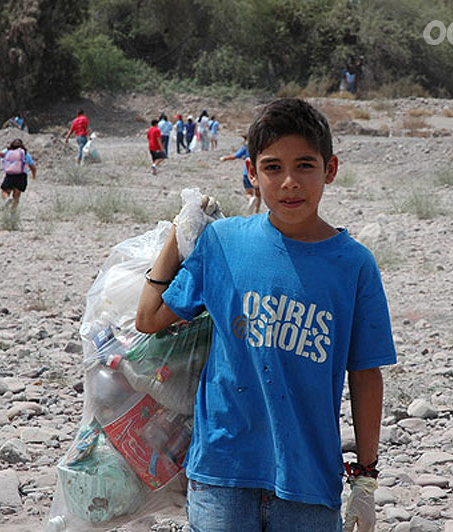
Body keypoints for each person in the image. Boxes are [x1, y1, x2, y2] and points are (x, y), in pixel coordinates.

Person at [135, 98, 396, 532]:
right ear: (251, 174)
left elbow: (366, 375)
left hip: (308, 484)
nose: (289, 182)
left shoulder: (354, 266)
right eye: (273, 168)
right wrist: (180, 235)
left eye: (305, 166)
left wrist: (365, 483)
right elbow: (149, 317)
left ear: (330, 170)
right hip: (221, 473)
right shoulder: (224, 242)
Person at [0, 138, 37, 211]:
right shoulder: (24, 153)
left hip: (10, 175)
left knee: (5, 191)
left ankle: (6, 199)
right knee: (16, 196)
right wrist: (34, 176)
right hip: (21, 176)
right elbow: (32, 167)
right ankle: (13, 213)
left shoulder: (7, 151)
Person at [220, 136, 260, 215]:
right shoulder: (260, 148)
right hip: (258, 174)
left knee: (248, 193)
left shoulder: (246, 148)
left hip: (247, 173)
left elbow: (235, 156)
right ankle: (257, 212)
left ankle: (250, 198)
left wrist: (225, 158)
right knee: (258, 194)